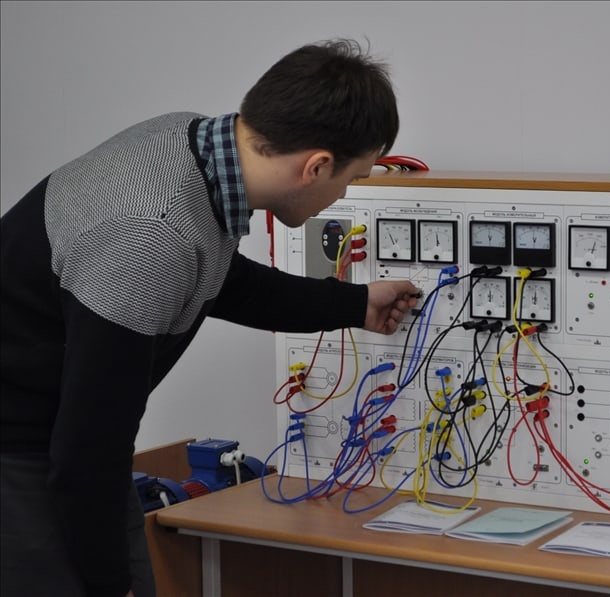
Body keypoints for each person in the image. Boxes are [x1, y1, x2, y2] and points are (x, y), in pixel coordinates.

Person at [0, 38, 418, 597]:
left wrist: (354, 304)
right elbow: (87, 448)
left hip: (65, 449)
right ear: (316, 165)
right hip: (24, 457)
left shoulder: (188, 142)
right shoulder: (150, 234)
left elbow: (219, 277)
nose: (342, 195)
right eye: (352, 178)